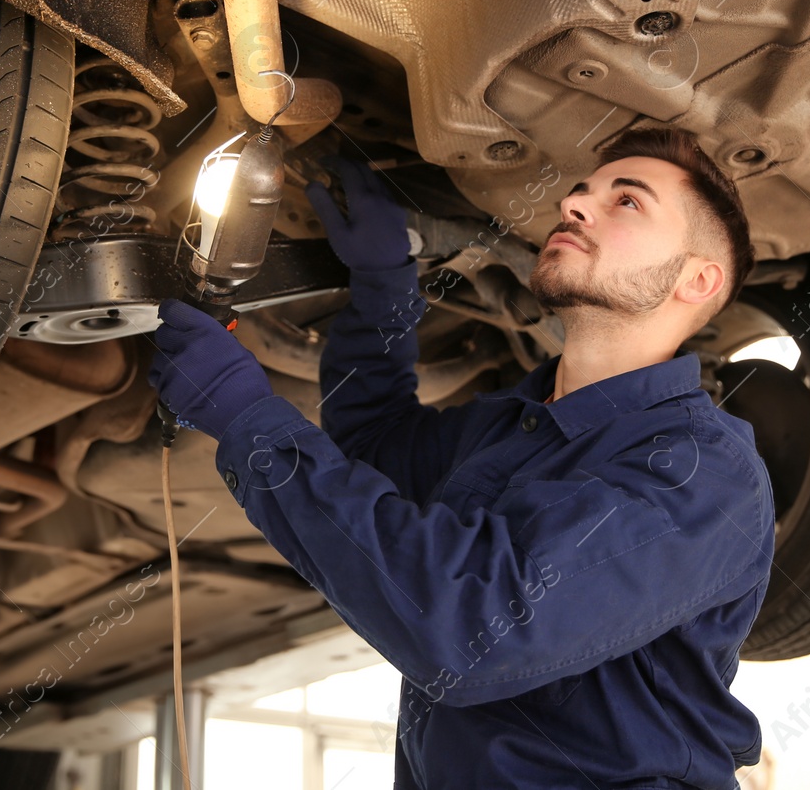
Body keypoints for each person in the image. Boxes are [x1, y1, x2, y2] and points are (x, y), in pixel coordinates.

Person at [149, 124, 775, 789]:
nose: (574, 205)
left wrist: (248, 417)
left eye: (627, 201)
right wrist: (384, 292)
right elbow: (373, 447)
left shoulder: (705, 471)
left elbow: (476, 630)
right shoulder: (514, 428)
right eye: (580, 191)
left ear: (697, 279)